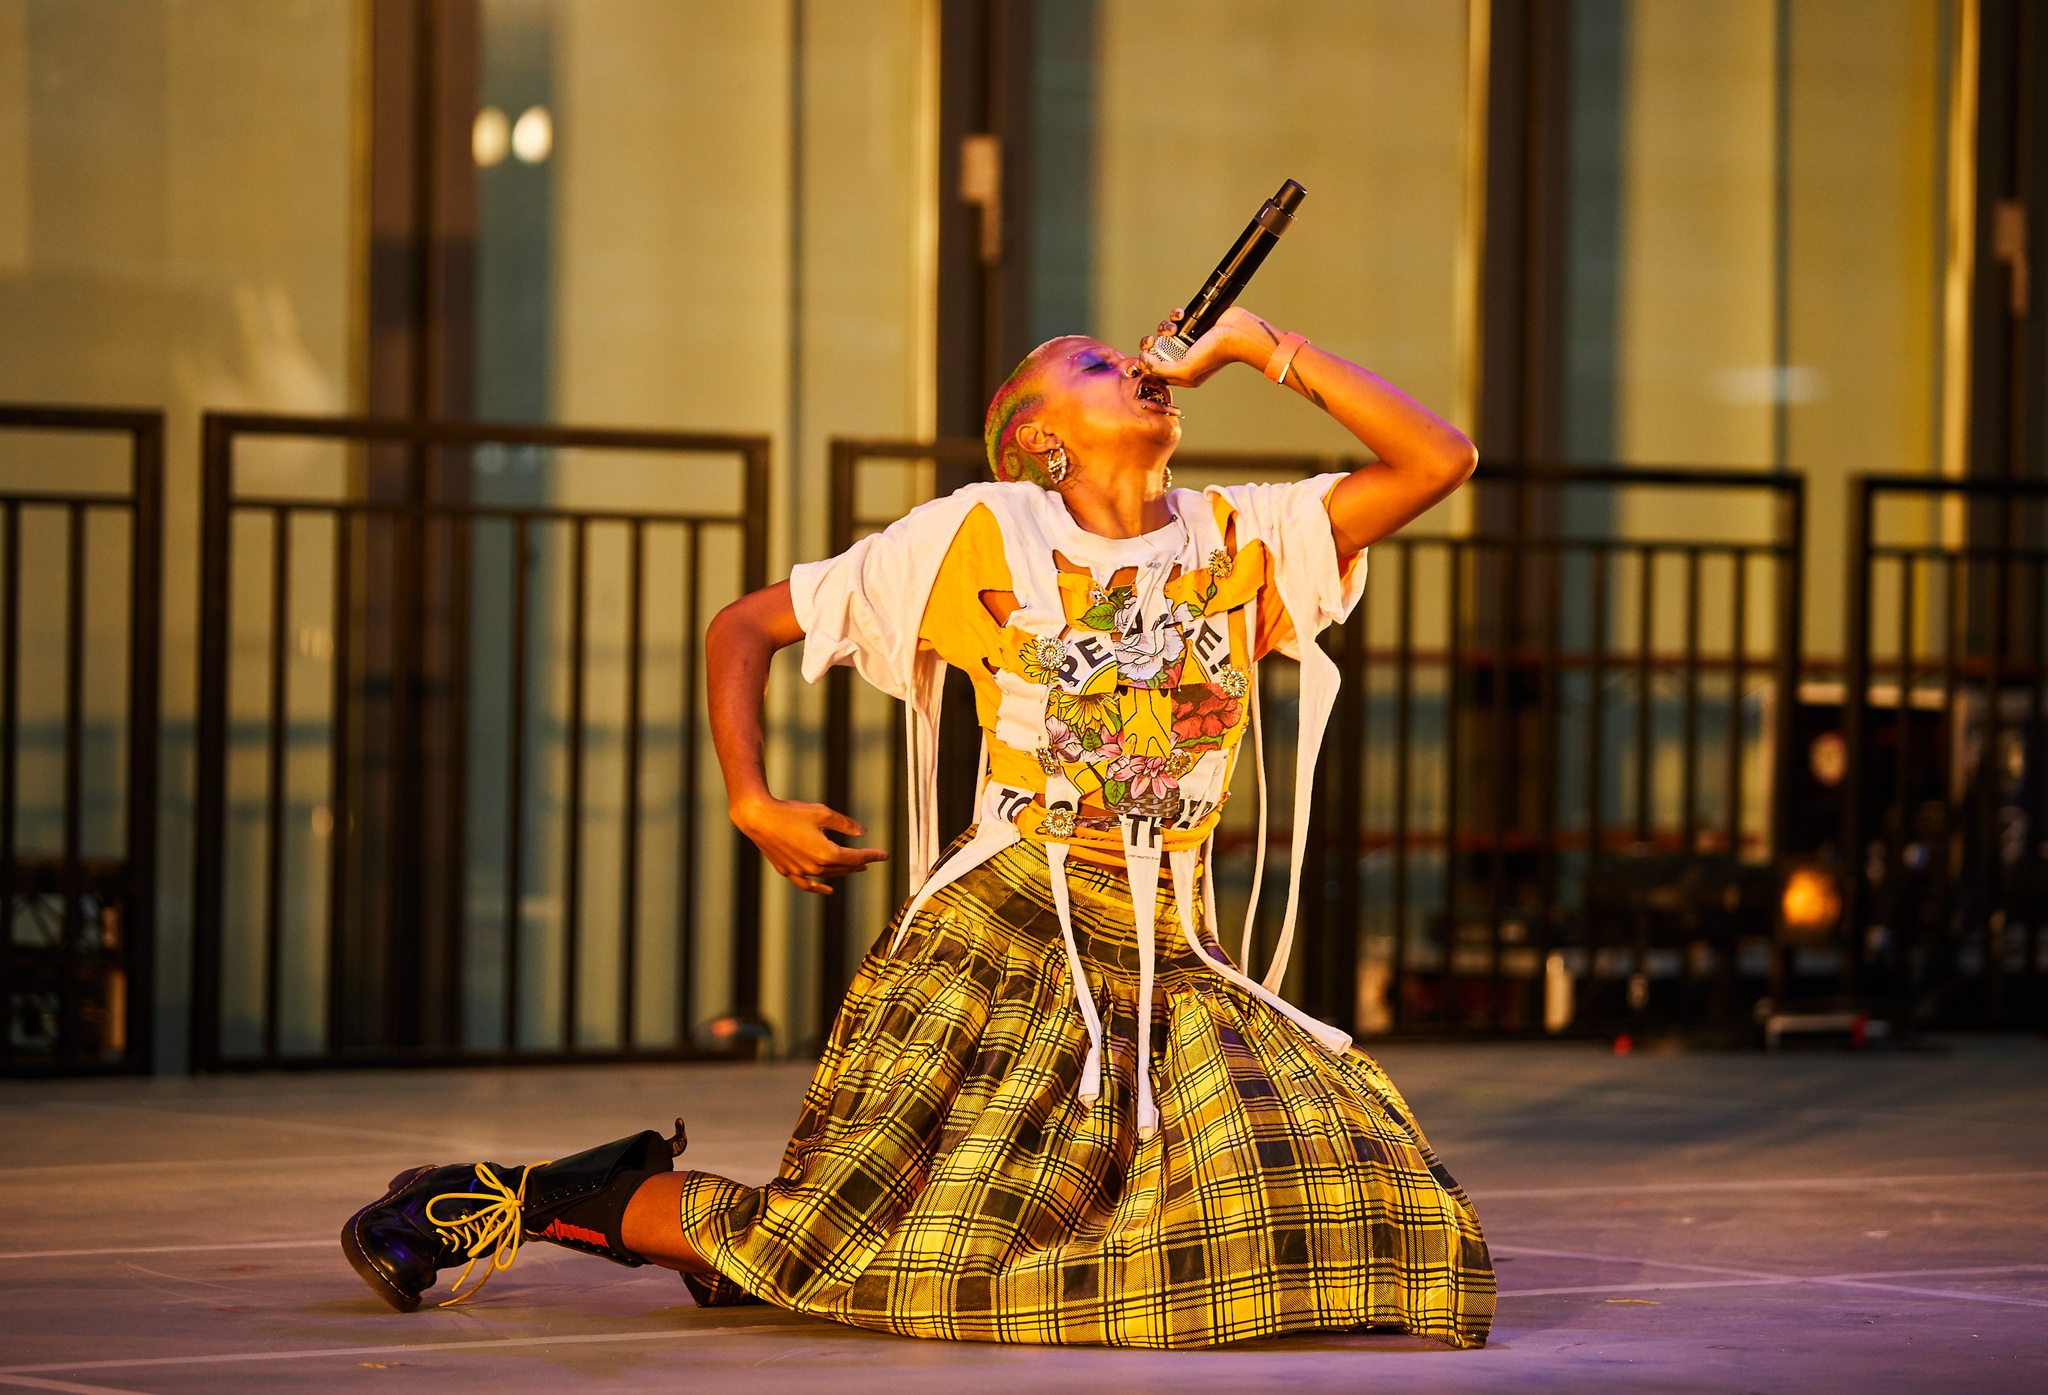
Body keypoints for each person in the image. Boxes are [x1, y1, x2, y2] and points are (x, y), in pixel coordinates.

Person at [341, 306, 1494, 1350]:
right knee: (862, 1249)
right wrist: (751, 798)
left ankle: (690, 1223)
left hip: (1163, 951)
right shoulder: (978, 533)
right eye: (1091, 364)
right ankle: (517, 1196)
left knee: (1352, 1212)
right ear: (1041, 439)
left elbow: (1439, 458)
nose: (1137, 362)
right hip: (1000, 937)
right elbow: (743, 626)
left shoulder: (1242, 536)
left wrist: (1260, 346)